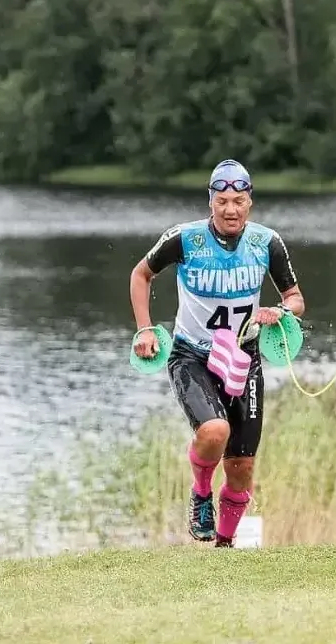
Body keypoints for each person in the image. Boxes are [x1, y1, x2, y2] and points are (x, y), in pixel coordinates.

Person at [129, 159, 305, 547]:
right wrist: (145, 328)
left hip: (244, 359)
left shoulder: (267, 243)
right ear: (210, 201)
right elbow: (141, 275)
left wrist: (280, 310)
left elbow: (296, 299)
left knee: (241, 467)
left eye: (238, 201)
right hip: (192, 356)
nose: (230, 209)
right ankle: (202, 493)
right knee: (214, 430)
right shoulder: (184, 239)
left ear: (250, 203)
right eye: (222, 200)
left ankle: (224, 548)